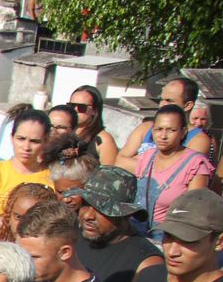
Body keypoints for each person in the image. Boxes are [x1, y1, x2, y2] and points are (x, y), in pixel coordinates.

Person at [0, 109, 51, 245]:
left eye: (35, 141)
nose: (26, 147)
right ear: (11, 137)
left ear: (46, 141)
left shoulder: (51, 179)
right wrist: (24, 235)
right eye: (21, 139)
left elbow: (48, 231)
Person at [134, 105, 215, 235]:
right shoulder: (146, 157)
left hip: (169, 234)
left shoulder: (195, 164)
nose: (163, 136)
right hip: (136, 229)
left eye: (171, 130)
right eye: (158, 129)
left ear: (183, 132)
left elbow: (193, 211)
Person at [117, 77, 213, 170]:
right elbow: (119, 162)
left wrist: (137, 161)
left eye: (169, 100)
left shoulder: (199, 139)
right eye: (161, 100)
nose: (162, 104)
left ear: (187, 105)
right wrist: (159, 167)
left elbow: (179, 173)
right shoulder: (145, 128)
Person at [68, 85, 121, 167]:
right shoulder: (63, 131)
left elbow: (109, 175)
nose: (75, 110)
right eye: (71, 106)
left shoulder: (103, 140)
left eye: (81, 107)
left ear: (95, 111)